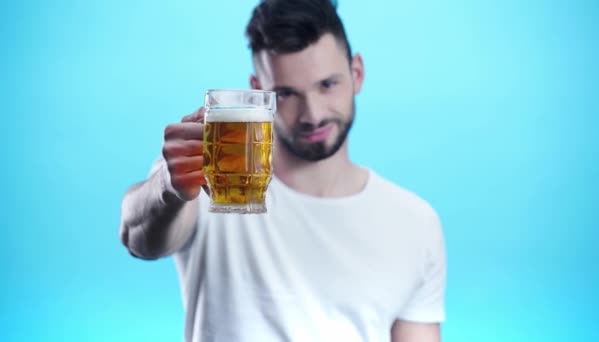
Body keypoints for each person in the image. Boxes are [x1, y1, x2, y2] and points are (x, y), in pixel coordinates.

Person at [119, 0, 446, 341]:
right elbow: (137, 237)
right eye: (287, 93)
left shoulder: (415, 221)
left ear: (357, 73)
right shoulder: (217, 178)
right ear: (260, 92)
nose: (313, 114)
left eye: (328, 84)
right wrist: (168, 188)